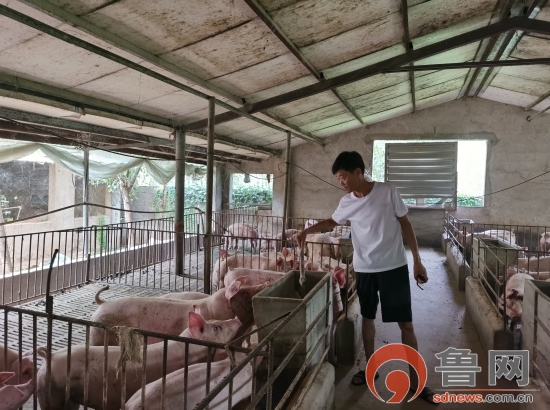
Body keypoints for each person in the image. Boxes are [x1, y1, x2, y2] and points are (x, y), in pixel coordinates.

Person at [296, 151, 437, 404]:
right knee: (368, 319)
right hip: (365, 270)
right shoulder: (346, 202)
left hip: (393, 267)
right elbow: (331, 222)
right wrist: (307, 231)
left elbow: (406, 224)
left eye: (343, 177)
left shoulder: (388, 192)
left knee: (406, 325)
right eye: (338, 178)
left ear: (358, 172)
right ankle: (371, 369)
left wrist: (417, 259)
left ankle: (416, 382)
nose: (341, 182)